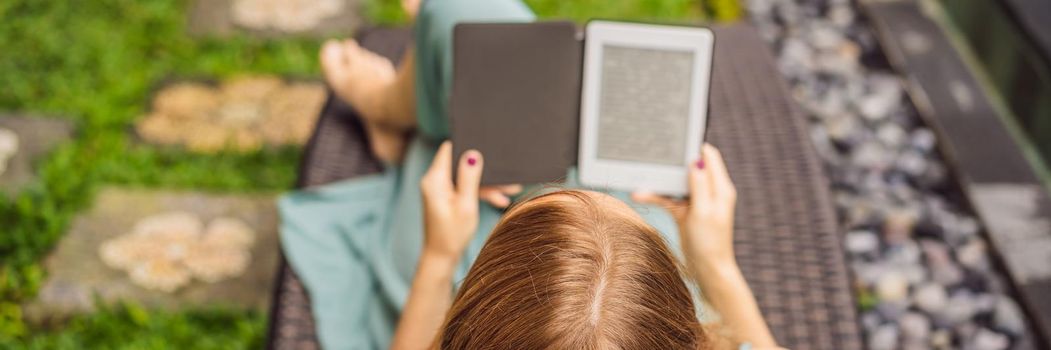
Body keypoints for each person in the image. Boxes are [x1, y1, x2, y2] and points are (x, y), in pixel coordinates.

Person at [281, 0, 779, 348]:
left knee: (462, 16)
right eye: (636, 219)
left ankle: (389, 108)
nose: (586, 187)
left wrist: (439, 254)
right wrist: (715, 264)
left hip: (453, 261)